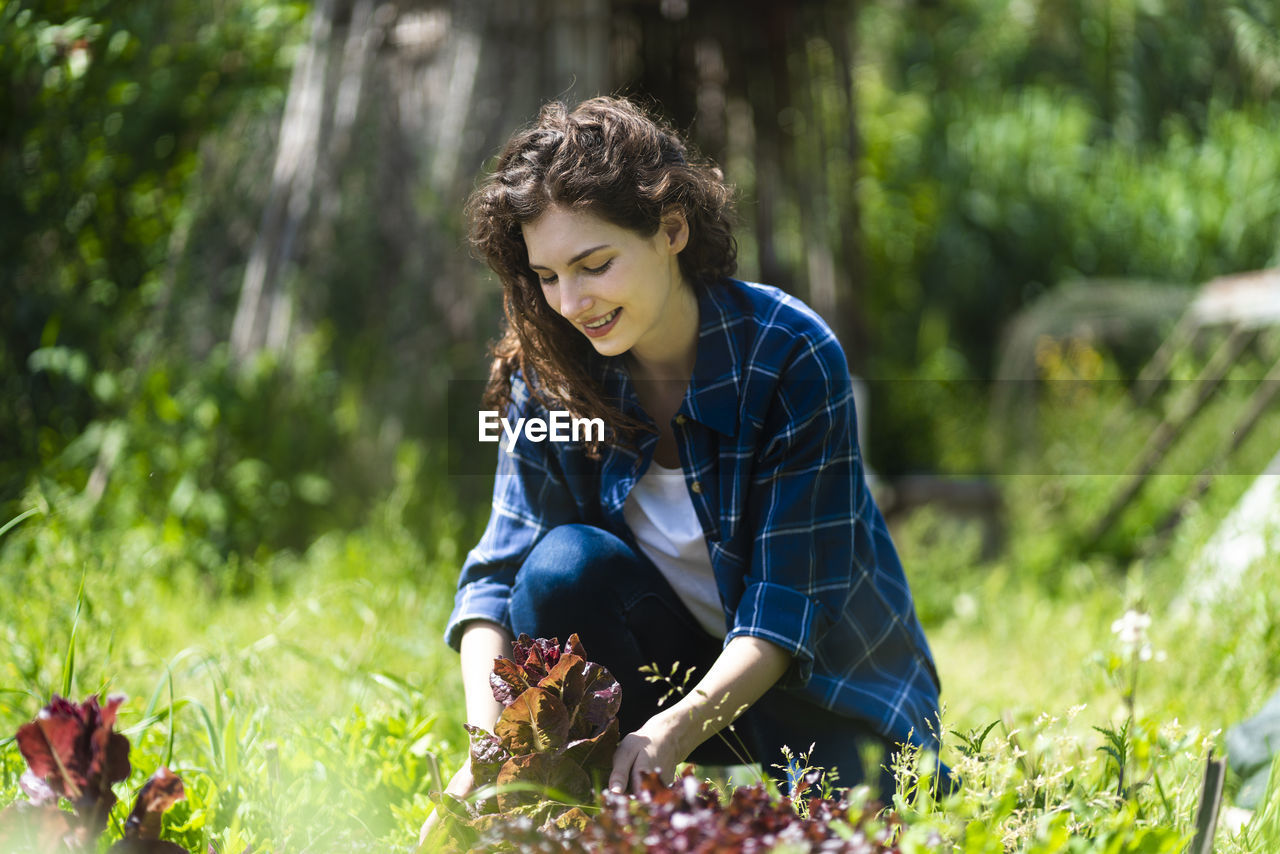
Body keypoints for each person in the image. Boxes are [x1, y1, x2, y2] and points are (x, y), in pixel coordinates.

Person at [426, 96, 942, 832]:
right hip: (667, 672)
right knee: (559, 568)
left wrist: (672, 730)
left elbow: (784, 611)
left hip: (823, 693)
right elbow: (498, 577)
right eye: (546, 276)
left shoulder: (792, 357)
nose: (571, 302)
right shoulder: (548, 374)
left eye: (594, 264)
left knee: (843, 831)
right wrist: (493, 750)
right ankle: (586, 815)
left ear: (671, 230)